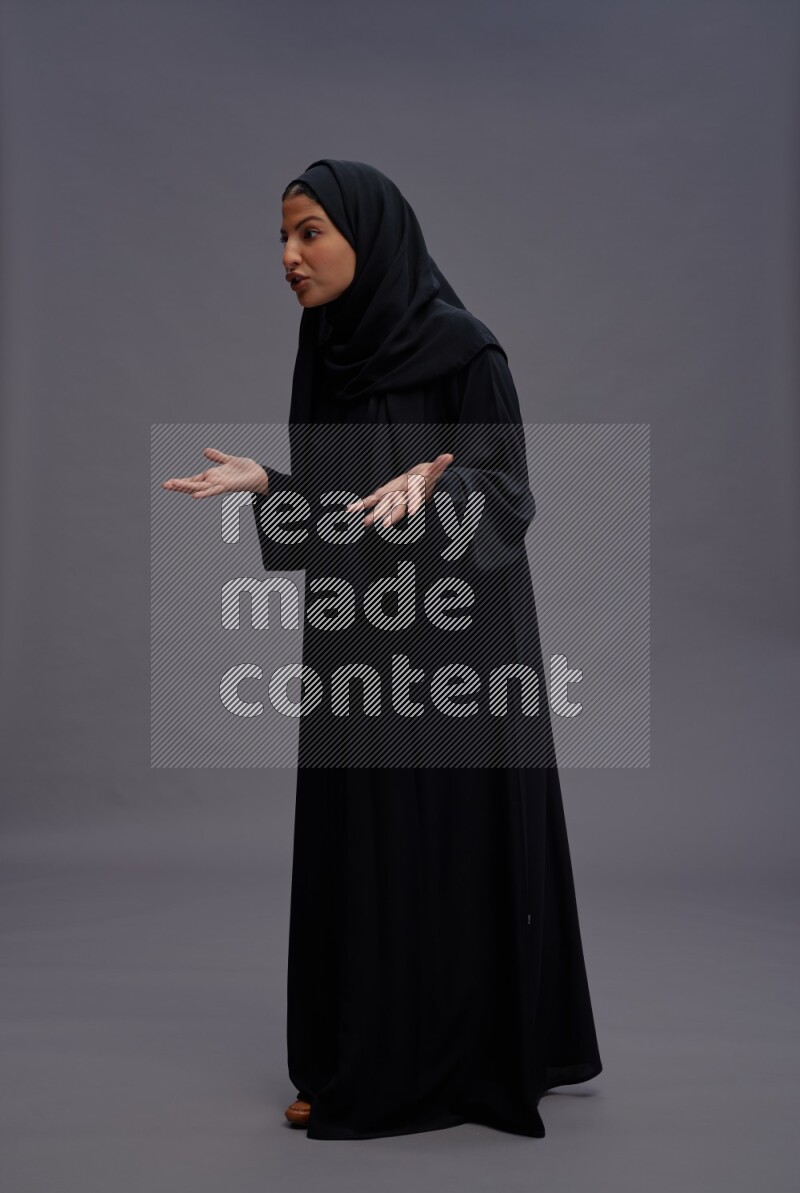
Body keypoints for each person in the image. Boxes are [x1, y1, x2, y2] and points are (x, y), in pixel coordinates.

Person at [162, 158, 602, 1140]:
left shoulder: (463, 353)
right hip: (355, 639)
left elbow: (505, 497)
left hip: (456, 648)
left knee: (437, 843)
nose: (288, 256)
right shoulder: (324, 349)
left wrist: (430, 496)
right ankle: (355, 1050)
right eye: (281, 237)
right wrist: (271, 486)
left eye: (309, 231)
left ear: (370, 234)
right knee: (359, 847)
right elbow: (336, 512)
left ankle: (459, 1055)